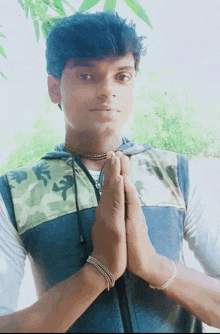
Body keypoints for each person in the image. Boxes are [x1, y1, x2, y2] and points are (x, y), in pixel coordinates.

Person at [0, 11, 220, 333]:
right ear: (54, 88)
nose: (107, 91)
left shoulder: (177, 174)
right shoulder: (16, 193)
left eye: (122, 76)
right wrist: (97, 271)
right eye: (86, 76)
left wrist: (157, 267)